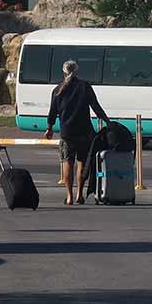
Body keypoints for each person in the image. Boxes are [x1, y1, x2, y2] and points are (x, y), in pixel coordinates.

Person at [45, 59, 110, 205]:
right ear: (76, 71)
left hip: (67, 133)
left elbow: (52, 112)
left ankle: (69, 196)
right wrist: (107, 121)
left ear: (64, 72)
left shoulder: (57, 90)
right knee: (82, 162)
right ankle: (79, 193)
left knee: (68, 162)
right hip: (84, 132)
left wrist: (49, 127)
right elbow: (96, 106)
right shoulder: (84, 86)